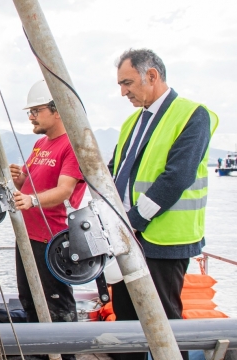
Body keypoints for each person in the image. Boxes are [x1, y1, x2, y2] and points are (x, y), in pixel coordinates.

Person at [109, 49, 218, 360]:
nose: (123, 92)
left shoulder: (192, 114)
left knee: (165, 322)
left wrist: (132, 221)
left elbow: (177, 177)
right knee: (127, 319)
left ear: (152, 76)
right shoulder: (132, 121)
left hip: (164, 239)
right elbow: (116, 169)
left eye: (127, 82)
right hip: (129, 236)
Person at [9, 80, 87, 360]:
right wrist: (20, 180)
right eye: (29, 111)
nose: (31, 116)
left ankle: (65, 356)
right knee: (29, 300)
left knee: (57, 307)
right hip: (28, 237)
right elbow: (29, 186)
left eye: (36, 110)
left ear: (57, 111)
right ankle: (38, 355)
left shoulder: (72, 145)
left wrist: (31, 200)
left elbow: (65, 189)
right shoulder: (41, 144)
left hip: (53, 241)